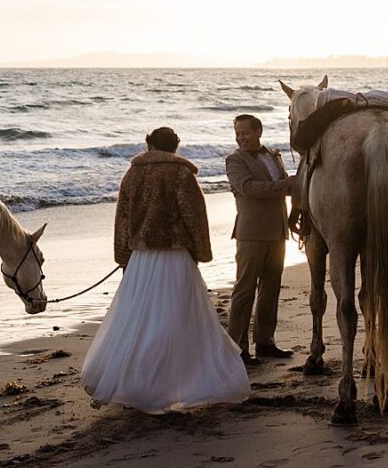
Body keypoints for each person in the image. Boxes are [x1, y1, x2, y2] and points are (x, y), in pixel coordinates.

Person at [80, 127, 251, 413]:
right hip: (175, 254)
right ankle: (171, 385)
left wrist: (123, 254)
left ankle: (131, 382)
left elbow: (122, 216)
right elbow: (194, 216)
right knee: (178, 318)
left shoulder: (132, 173)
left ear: (148, 144)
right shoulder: (182, 174)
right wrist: (201, 252)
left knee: (136, 316)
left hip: (141, 256)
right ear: (176, 147)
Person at [225, 114, 295, 362]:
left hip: (278, 231)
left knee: (271, 289)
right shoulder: (234, 160)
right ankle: (237, 348)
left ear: (258, 131)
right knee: (244, 290)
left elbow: (285, 188)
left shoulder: (274, 155)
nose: (241, 137)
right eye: (237, 133)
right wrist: (286, 184)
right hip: (251, 233)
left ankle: (265, 341)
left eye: (245, 132)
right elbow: (248, 188)